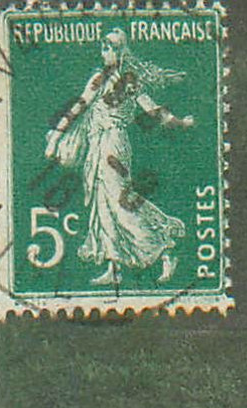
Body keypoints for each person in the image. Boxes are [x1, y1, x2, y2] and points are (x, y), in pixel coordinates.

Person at [44, 28, 194, 287]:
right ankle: (113, 267)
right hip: (97, 145)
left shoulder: (130, 81)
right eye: (103, 48)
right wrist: (56, 137)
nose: (105, 52)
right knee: (103, 204)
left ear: (121, 51)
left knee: (119, 202)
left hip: (115, 145)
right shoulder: (97, 79)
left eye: (110, 47)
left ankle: (164, 251)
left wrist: (180, 122)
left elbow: (152, 108)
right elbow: (78, 107)